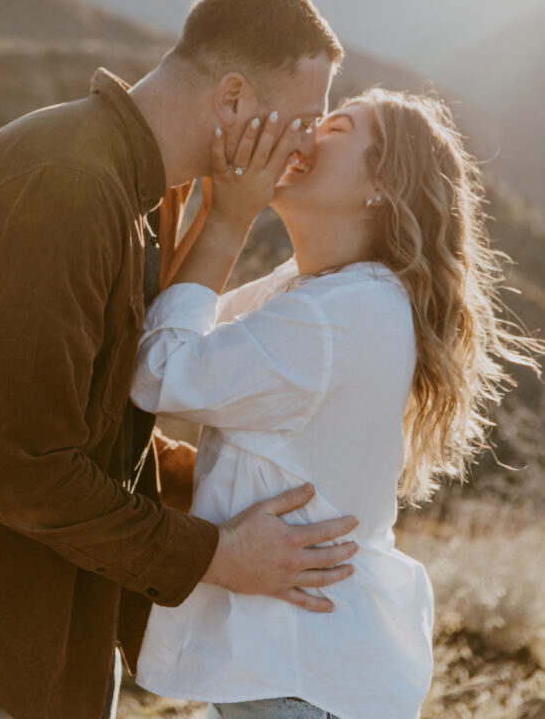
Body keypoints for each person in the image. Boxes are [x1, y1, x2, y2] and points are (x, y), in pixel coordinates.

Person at [0, 0, 360, 719]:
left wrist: (241, 485)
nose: (304, 149)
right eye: (303, 120)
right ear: (231, 99)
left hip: (29, 632)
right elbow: (25, 467)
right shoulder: (65, 184)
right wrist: (216, 556)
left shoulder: (143, 191)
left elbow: (102, 423)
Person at [130, 88, 542, 719]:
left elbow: (159, 373)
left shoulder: (342, 315)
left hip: (300, 677)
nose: (307, 134)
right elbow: (176, 332)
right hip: (294, 671)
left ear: (381, 184)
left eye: (337, 127)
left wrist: (228, 218)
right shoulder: (319, 291)